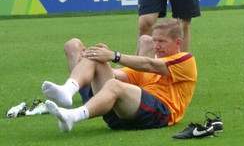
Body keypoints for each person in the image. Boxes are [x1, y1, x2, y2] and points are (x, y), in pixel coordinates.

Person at [41, 19, 197, 132]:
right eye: (155, 41)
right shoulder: (144, 66)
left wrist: (114, 55)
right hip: (122, 115)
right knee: (95, 55)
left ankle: (73, 116)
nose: (156, 46)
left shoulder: (185, 60)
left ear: (178, 43)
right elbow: (120, 74)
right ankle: (68, 90)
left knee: (113, 84)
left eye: (162, 41)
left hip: (161, 113)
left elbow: (150, 64)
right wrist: (97, 59)